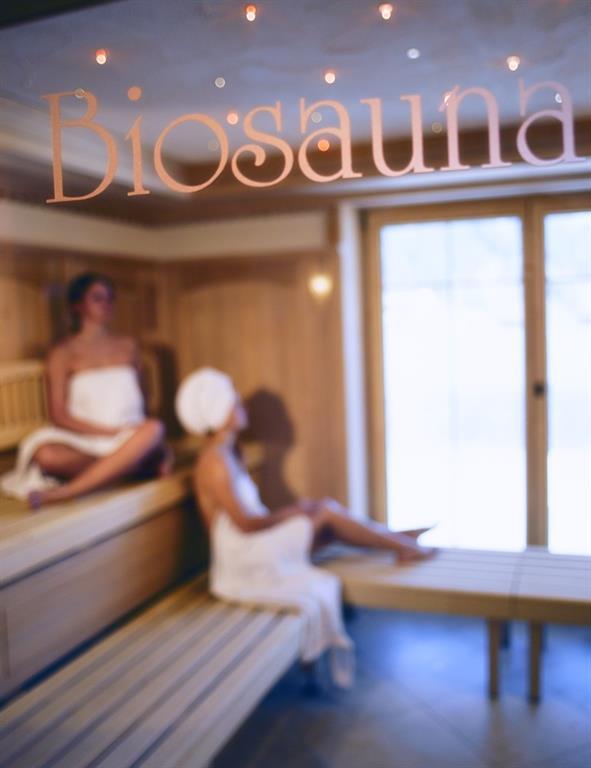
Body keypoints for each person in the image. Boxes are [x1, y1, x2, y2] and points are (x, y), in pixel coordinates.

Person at [175, 367, 436, 688]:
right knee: (324, 513)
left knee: (323, 517)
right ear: (217, 412)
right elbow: (244, 523)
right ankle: (402, 544)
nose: (242, 406)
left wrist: (294, 512)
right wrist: (292, 512)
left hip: (250, 543)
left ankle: (398, 540)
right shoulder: (215, 461)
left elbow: (250, 518)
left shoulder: (228, 454)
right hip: (242, 556)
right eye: (235, 403)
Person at [0, 272, 172, 509]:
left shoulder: (128, 347)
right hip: (83, 439)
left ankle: (69, 491)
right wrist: (107, 432)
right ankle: (130, 467)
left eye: (110, 298)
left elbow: (142, 401)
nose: (106, 304)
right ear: (77, 305)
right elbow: (58, 415)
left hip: (128, 434)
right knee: (46, 455)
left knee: (154, 428)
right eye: (98, 298)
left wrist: (131, 433)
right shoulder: (62, 353)